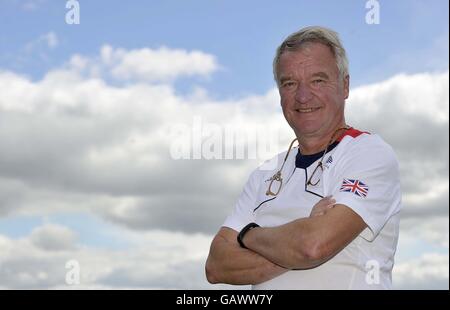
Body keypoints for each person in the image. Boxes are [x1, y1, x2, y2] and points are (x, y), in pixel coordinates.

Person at [205, 26, 402, 289]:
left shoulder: (368, 153)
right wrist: (295, 242)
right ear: (279, 93)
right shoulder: (265, 174)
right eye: (289, 83)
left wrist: (248, 235)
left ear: (345, 86)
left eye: (318, 80)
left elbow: (312, 247)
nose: (303, 95)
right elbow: (217, 267)